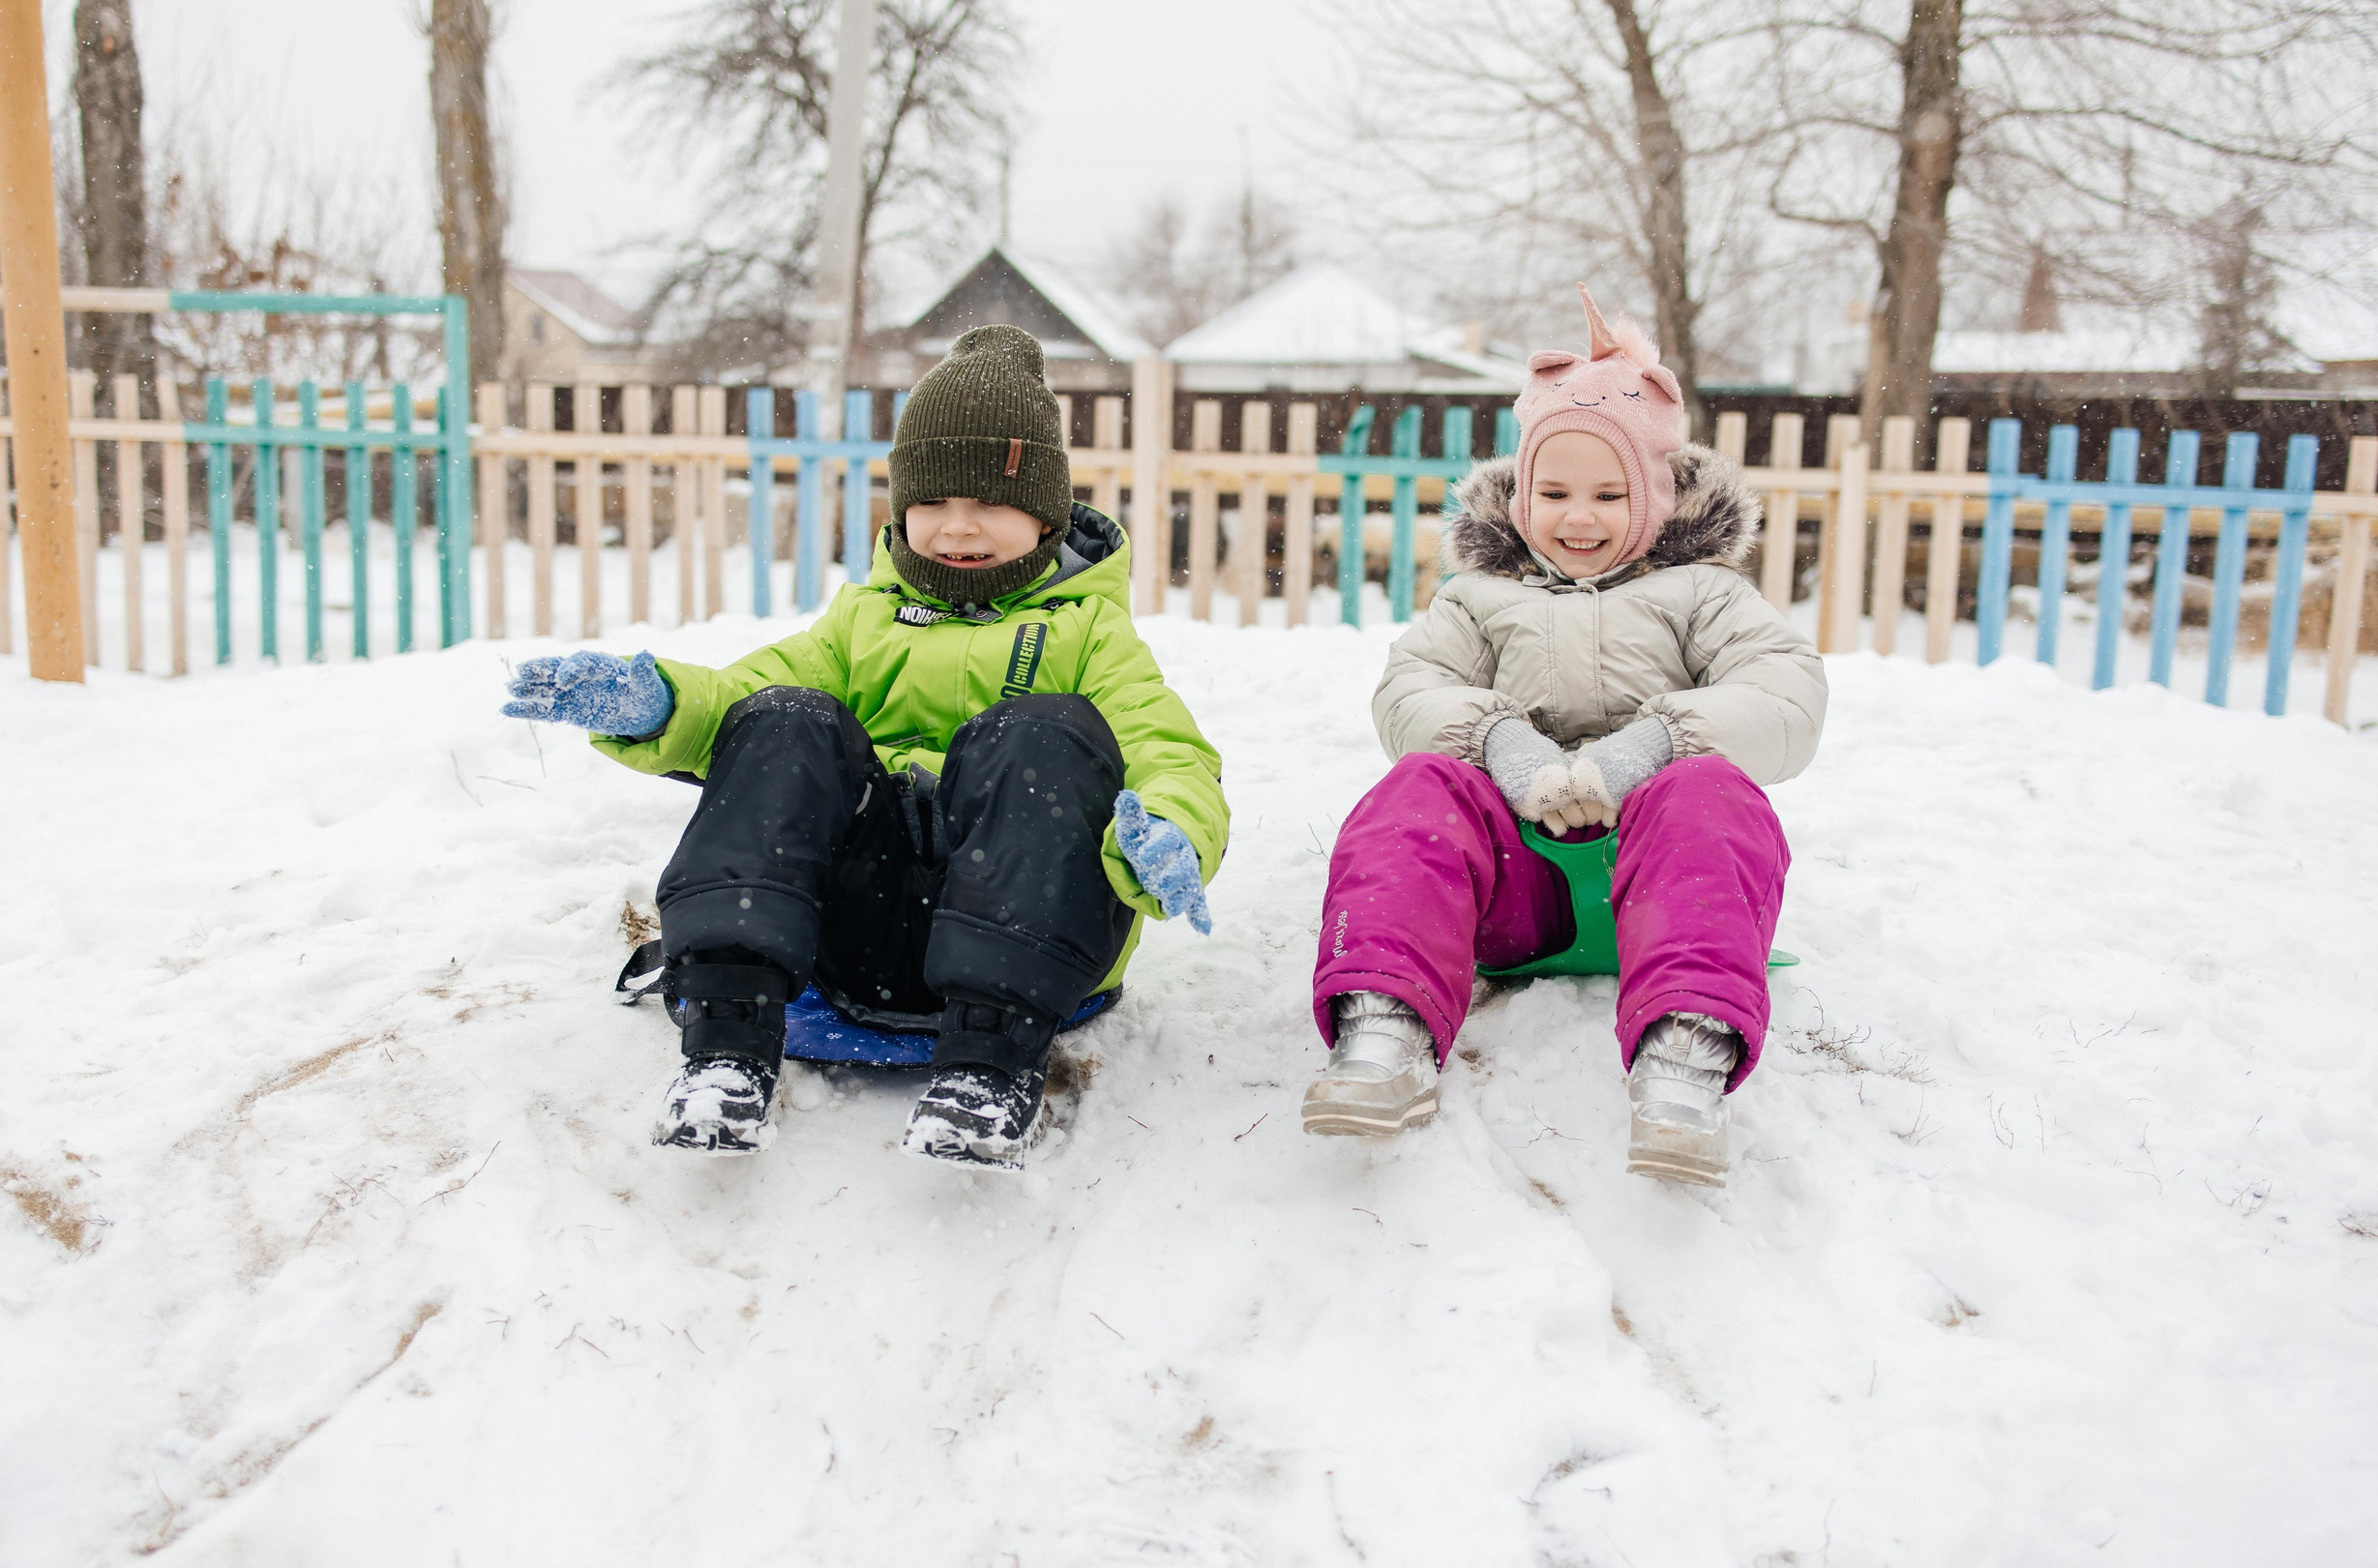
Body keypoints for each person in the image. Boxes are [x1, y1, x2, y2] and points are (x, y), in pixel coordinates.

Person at [503, 325, 1228, 1170]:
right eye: (933, 504)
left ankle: (987, 1074)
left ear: (1044, 514)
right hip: (861, 927)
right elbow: (739, 700)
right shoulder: (862, 619)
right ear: (901, 508)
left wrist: (1172, 828)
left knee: (1042, 732)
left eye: (988, 503)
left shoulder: (1091, 632)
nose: (958, 529)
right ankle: (728, 1041)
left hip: (1024, 938)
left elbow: (1169, 750)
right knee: (785, 715)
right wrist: (659, 701)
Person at [1300, 286, 1827, 1185]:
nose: (1578, 517)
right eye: (1554, 491)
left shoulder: (1704, 595)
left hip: (1662, 882)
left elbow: (1785, 692)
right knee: (1420, 789)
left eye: (1609, 493)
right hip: (1515, 891)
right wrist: (1502, 742)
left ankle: (1685, 1047)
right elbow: (1410, 688)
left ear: (1656, 497)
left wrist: (1656, 744)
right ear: (1520, 493)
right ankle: (1385, 1024)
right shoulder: (1480, 598)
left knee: (1711, 793)